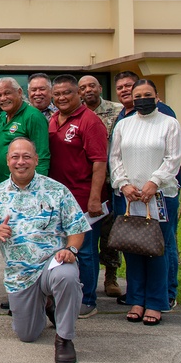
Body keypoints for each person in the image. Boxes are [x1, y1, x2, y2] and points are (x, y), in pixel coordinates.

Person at [0, 137, 89, 363]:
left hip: (51, 264)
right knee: (27, 335)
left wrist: (71, 249)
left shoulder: (57, 190)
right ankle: (48, 304)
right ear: (7, 162)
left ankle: (64, 338)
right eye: (15, 157)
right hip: (20, 275)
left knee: (66, 275)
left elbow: (77, 228)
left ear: (36, 160)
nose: (21, 162)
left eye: (26, 157)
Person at [109, 79, 181, 325]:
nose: (141, 99)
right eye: (137, 95)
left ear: (157, 96)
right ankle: (137, 300)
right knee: (132, 249)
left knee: (156, 251)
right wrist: (123, 184)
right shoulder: (123, 125)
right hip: (130, 197)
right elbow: (115, 158)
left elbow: (173, 159)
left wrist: (154, 182)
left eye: (147, 94)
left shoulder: (169, 123)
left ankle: (156, 302)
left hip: (159, 196)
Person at [47, 74, 108, 319]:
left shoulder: (89, 121)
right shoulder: (53, 120)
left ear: (78, 94)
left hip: (84, 198)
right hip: (59, 199)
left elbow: (99, 162)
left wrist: (95, 198)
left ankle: (88, 300)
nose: (61, 97)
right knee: (63, 249)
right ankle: (66, 295)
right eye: (57, 94)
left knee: (85, 251)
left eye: (67, 93)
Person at [78, 75, 124, 298]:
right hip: (85, 184)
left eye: (91, 86)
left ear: (100, 88)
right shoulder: (73, 114)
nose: (88, 90)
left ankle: (111, 276)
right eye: (83, 87)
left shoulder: (118, 111)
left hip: (111, 182)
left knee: (109, 235)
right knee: (87, 240)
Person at [0, 77, 50, 186]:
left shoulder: (33, 116)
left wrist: (38, 188)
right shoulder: (2, 116)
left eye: (7, 93)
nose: (3, 98)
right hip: (4, 185)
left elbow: (42, 157)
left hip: (24, 187)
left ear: (19, 92)